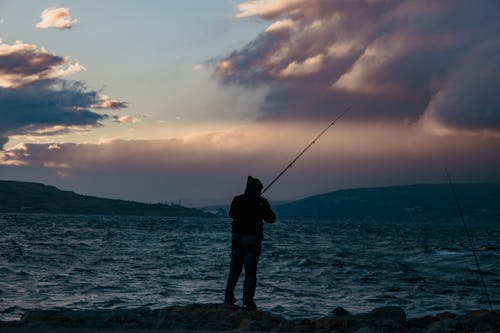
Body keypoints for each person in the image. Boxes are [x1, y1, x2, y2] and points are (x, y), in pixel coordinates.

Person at [224, 176, 276, 311]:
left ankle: (228, 298)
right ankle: (248, 302)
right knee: (250, 273)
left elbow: (231, 214)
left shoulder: (237, 199)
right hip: (252, 239)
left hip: (237, 238)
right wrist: (260, 207)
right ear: (258, 190)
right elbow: (271, 219)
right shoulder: (261, 202)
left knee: (234, 270)